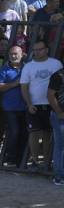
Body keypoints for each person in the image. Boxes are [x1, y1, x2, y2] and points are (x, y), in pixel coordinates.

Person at [20, 40, 62, 170]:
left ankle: (46, 161)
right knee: (34, 133)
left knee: (48, 134)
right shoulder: (28, 66)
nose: (37, 52)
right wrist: (29, 104)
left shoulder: (56, 64)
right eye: (35, 50)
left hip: (52, 105)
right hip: (35, 105)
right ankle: (36, 161)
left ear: (47, 50)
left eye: (40, 49)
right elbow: (24, 87)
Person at [0, 45, 27, 167]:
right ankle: (10, 157)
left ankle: (20, 160)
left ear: (22, 54)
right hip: (10, 107)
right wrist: (15, 84)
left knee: (24, 133)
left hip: (25, 106)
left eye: (16, 54)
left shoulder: (27, 68)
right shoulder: (4, 69)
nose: (13, 56)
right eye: (11, 54)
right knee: (14, 132)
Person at [47, 67, 64, 185]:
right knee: (61, 146)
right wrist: (59, 113)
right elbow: (50, 95)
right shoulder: (58, 75)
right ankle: (59, 176)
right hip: (60, 116)